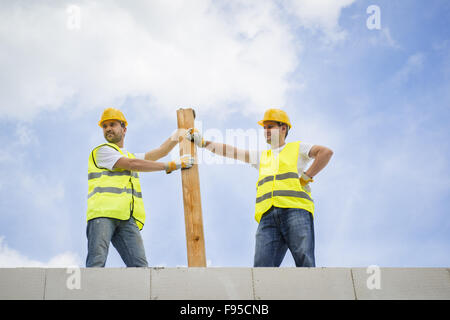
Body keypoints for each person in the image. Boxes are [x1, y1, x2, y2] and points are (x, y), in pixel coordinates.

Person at [186, 108, 333, 267]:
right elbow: (232, 152)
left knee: (305, 261)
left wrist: (307, 176)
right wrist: (203, 143)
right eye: (264, 128)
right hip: (268, 216)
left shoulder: (298, 148)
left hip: (295, 210)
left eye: (270, 127)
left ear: (283, 128)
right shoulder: (262, 157)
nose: (266, 131)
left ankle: (310, 290)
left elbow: (325, 152)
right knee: (261, 270)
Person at [86, 107, 193, 267]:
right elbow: (132, 164)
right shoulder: (102, 152)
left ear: (124, 129)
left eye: (112, 124)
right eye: (105, 126)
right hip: (102, 215)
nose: (108, 129)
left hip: (126, 218)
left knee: (140, 268)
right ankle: (89, 291)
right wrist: (170, 165)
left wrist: (178, 135)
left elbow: (159, 152)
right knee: (97, 262)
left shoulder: (128, 155)